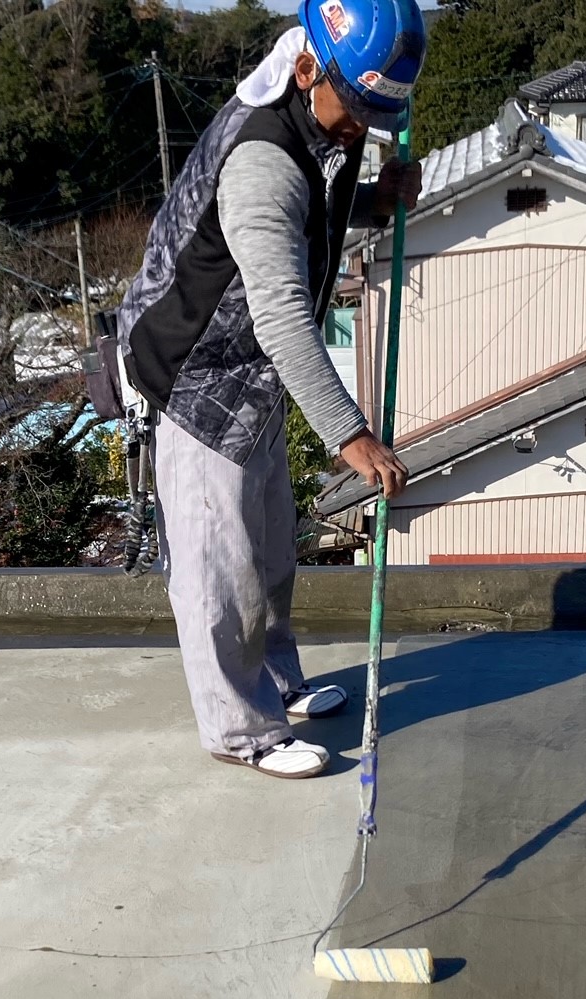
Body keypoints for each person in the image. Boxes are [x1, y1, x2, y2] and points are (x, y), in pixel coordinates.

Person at [118, 0, 424, 779]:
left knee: (271, 549)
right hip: (194, 372)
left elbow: (311, 213)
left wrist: (375, 202)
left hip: (250, 371)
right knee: (220, 567)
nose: (360, 129)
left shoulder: (320, 119)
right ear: (307, 69)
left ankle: (279, 683)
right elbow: (285, 314)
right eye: (355, 111)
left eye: (375, 116)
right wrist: (350, 436)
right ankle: (240, 729)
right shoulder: (261, 157)